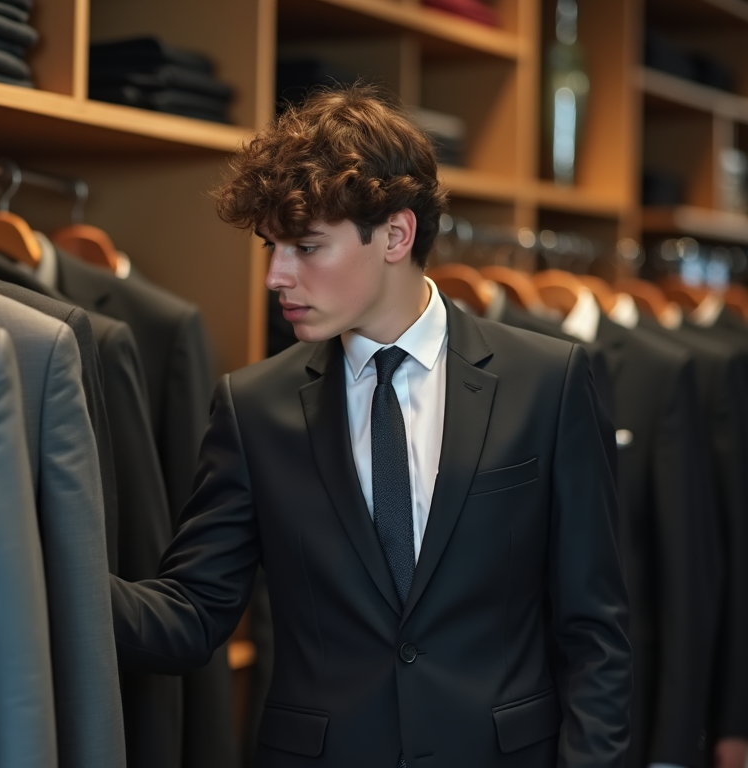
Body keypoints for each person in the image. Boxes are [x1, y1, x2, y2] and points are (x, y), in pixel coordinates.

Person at [110, 85, 632, 767]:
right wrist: (42, 574)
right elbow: (192, 613)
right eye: (271, 247)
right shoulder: (253, 406)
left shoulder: (549, 382)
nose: (276, 276)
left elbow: (595, 632)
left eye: (305, 247)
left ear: (395, 233)